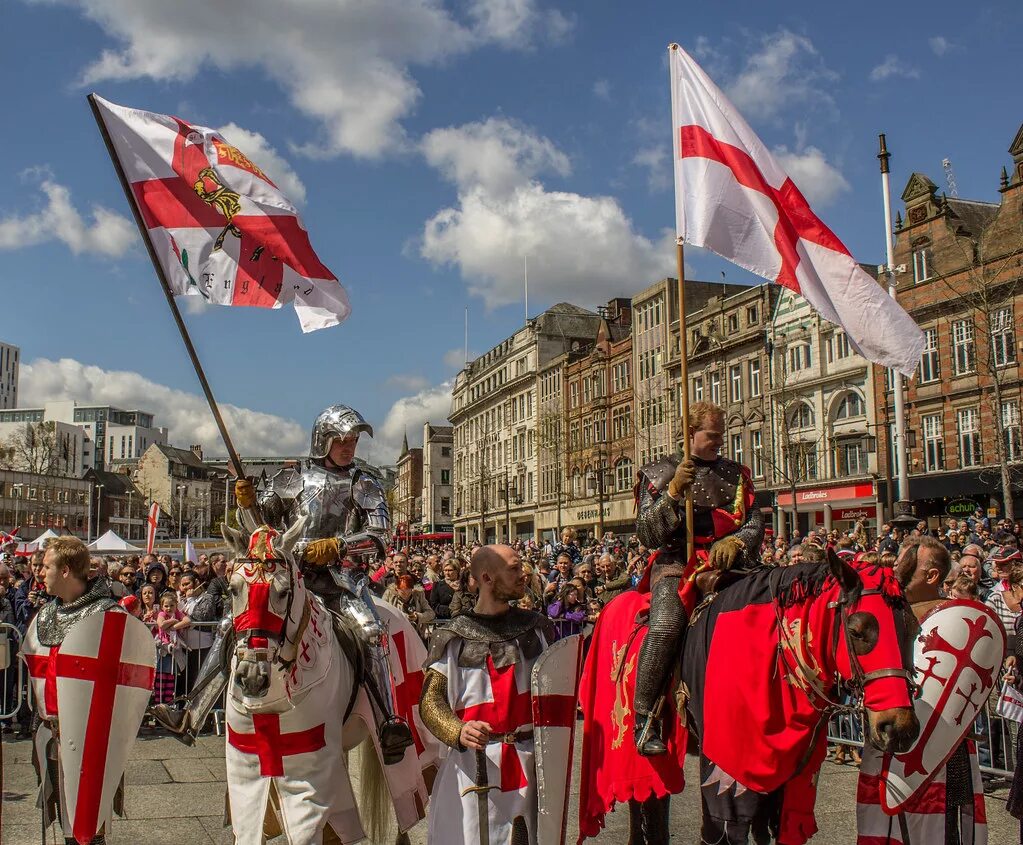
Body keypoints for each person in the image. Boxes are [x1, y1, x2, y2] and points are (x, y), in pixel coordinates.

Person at [153, 403, 414, 763]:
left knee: (371, 631)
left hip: (340, 580)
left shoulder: (364, 482)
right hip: (290, 578)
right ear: (323, 440)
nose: (349, 446)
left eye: (353, 440)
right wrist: (245, 503)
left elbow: (381, 535)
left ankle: (389, 722)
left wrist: (339, 545)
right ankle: (192, 712)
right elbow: (258, 529)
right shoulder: (290, 479)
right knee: (233, 622)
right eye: (342, 439)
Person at [632, 401, 764, 755]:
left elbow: (754, 522)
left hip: (726, 565)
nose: (721, 440)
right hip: (677, 563)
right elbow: (646, 533)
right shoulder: (659, 473)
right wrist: (673, 492)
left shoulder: (736, 474)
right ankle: (644, 718)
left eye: (722, 434)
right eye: (713, 434)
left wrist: (737, 540)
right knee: (667, 625)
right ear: (690, 433)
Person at [419, 545, 555, 844]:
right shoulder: (454, 637)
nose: (524, 575)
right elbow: (430, 702)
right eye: (514, 569)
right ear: (487, 578)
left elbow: (561, 689)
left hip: (533, 763)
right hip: (475, 767)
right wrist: (458, 729)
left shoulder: (539, 628)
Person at [858, 536, 986, 844]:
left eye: (904, 563)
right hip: (891, 749)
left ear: (931, 576)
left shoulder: (958, 621)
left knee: (945, 833)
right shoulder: (888, 615)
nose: (895, 569)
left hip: (941, 754)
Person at [20, 536, 144, 845]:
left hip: (91, 741)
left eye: (46, 566)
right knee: (65, 822)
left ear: (65, 570)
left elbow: (131, 676)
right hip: (51, 733)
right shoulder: (45, 614)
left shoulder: (108, 618)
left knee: (87, 831)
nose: (40, 571)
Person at [383, 574, 435, 641]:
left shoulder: (419, 595)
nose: (406, 595)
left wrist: (418, 617)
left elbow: (431, 613)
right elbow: (383, 613)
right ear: (397, 589)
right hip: (395, 635)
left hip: (415, 635)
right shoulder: (389, 596)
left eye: (409, 592)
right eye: (403, 592)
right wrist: (402, 617)